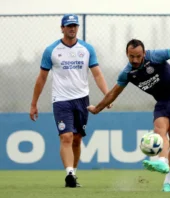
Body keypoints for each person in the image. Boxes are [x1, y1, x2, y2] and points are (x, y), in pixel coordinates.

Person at [87, 26, 170, 192]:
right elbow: (113, 93)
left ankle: (168, 183)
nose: (135, 60)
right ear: (127, 54)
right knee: (159, 132)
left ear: (144, 53)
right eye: (131, 56)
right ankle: (162, 161)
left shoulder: (155, 57)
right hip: (162, 103)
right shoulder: (128, 73)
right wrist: (97, 109)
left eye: (138, 56)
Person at [29, 14, 112, 188]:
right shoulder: (51, 50)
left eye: (74, 25)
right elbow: (41, 78)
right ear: (62, 28)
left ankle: (73, 174)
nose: (72, 28)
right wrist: (33, 104)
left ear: (77, 28)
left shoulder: (87, 49)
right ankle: (69, 173)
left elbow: (97, 74)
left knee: (76, 139)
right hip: (61, 100)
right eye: (68, 26)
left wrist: (107, 96)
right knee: (66, 136)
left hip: (82, 99)